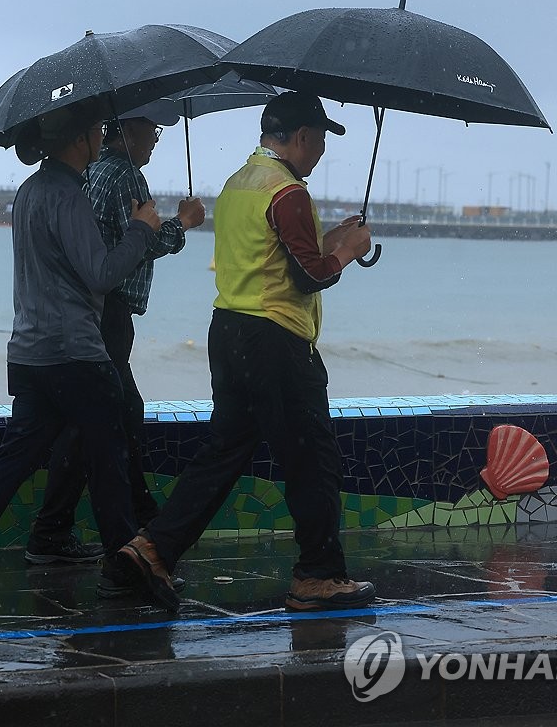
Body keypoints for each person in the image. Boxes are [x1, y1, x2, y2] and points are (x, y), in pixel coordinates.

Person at [116, 91, 377, 612]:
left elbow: (271, 257)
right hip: (276, 339)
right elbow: (307, 277)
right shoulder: (288, 192)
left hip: (228, 330)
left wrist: (327, 241)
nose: (322, 150)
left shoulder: (239, 184)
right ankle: (318, 575)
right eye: (321, 138)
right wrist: (347, 252)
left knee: (226, 451)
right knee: (313, 458)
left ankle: (153, 547)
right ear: (301, 136)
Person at [0, 98, 163, 601]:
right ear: (79, 140)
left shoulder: (29, 193)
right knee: (109, 460)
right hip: (75, 354)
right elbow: (101, 273)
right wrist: (142, 230)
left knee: (12, 462)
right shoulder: (67, 196)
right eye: (96, 130)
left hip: (30, 354)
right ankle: (124, 570)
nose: (102, 136)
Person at [24, 101, 206, 584]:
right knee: (115, 415)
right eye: (152, 132)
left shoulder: (90, 173)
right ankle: (132, 539)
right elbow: (138, 244)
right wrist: (183, 224)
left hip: (80, 316)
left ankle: (69, 531)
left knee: (93, 421)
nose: (155, 141)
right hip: (110, 312)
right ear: (128, 131)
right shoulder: (125, 174)